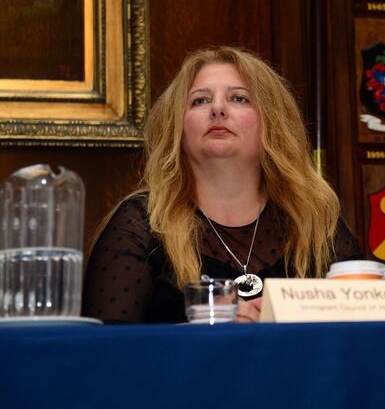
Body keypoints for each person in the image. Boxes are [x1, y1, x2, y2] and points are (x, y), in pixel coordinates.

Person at [83, 46, 361, 323]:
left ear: (273, 123)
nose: (217, 109)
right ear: (176, 129)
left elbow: (366, 332)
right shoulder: (140, 223)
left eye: (239, 98)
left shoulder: (314, 219)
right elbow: (106, 352)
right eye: (200, 101)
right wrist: (209, 328)